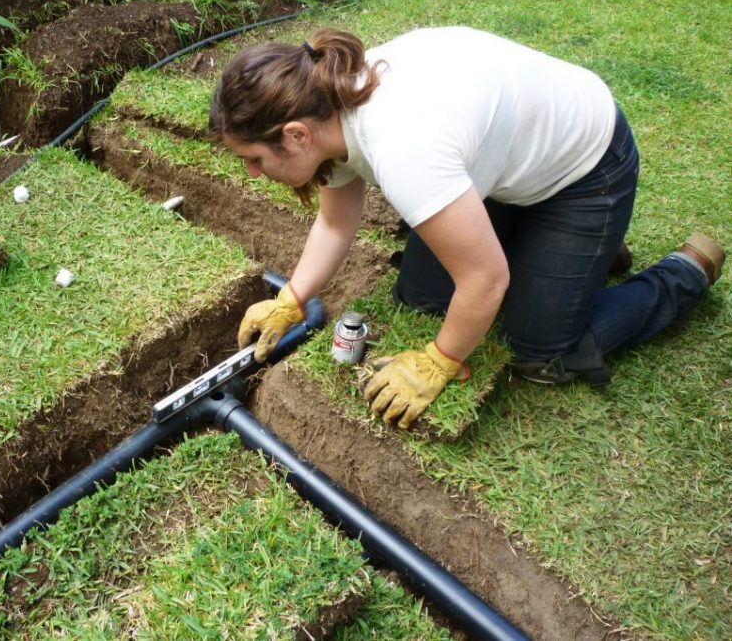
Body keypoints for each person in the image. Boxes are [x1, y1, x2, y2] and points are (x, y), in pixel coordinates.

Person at [208, 26, 725, 430]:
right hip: (508, 168)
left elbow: (486, 281)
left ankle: (682, 272)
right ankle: (580, 255)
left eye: (253, 158)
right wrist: (292, 299)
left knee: (538, 350)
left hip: (586, 170)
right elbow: (336, 220)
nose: (253, 172)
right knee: (421, 295)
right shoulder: (327, 100)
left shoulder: (405, 148)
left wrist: (441, 360)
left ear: (296, 135)